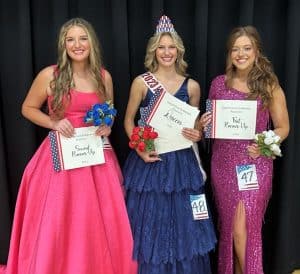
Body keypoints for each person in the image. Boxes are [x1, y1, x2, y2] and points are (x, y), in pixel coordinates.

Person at [0, 18, 137, 274]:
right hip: (60, 158)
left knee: (98, 220)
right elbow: (27, 108)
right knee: (60, 219)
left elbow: (108, 112)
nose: (77, 45)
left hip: (97, 157)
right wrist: (53, 122)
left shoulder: (103, 76)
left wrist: (107, 126)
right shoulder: (50, 75)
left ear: (91, 43)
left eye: (82, 38)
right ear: (64, 44)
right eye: (71, 39)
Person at [123, 15, 216, 274]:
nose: (166, 52)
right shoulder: (142, 83)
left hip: (183, 163)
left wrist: (198, 133)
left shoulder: (193, 86)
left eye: (171, 47)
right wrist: (139, 148)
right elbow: (128, 121)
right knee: (152, 219)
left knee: (186, 220)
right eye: (161, 47)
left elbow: (194, 127)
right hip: (150, 161)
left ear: (179, 51)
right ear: (154, 50)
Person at [200, 26, 290, 274]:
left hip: (254, 163)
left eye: (246, 48)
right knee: (231, 230)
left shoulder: (268, 85)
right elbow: (209, 131)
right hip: (224, 164)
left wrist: (263, 146)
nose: (241, 54)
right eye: (235, 49)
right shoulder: (218, 84)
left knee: (244, 230)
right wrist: (203, 124)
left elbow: (283, 127)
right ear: (230, 53)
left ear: (257, 51)